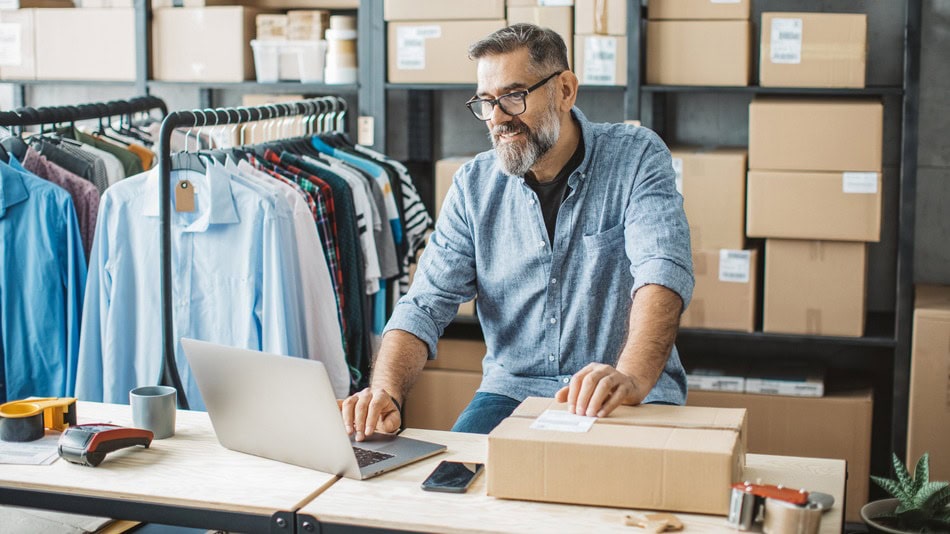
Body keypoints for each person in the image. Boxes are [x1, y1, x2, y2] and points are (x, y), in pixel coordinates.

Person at [342, 23, 693, 440]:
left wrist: (632, 376)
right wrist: (385, 390)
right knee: (452, 488)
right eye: (486, 102)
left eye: (513, 96)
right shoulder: (473, 185)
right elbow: (424, 304)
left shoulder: (636, 157)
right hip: (511, 395)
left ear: (565, 90)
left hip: (620, 391)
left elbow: (662, 272)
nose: (497, 119)